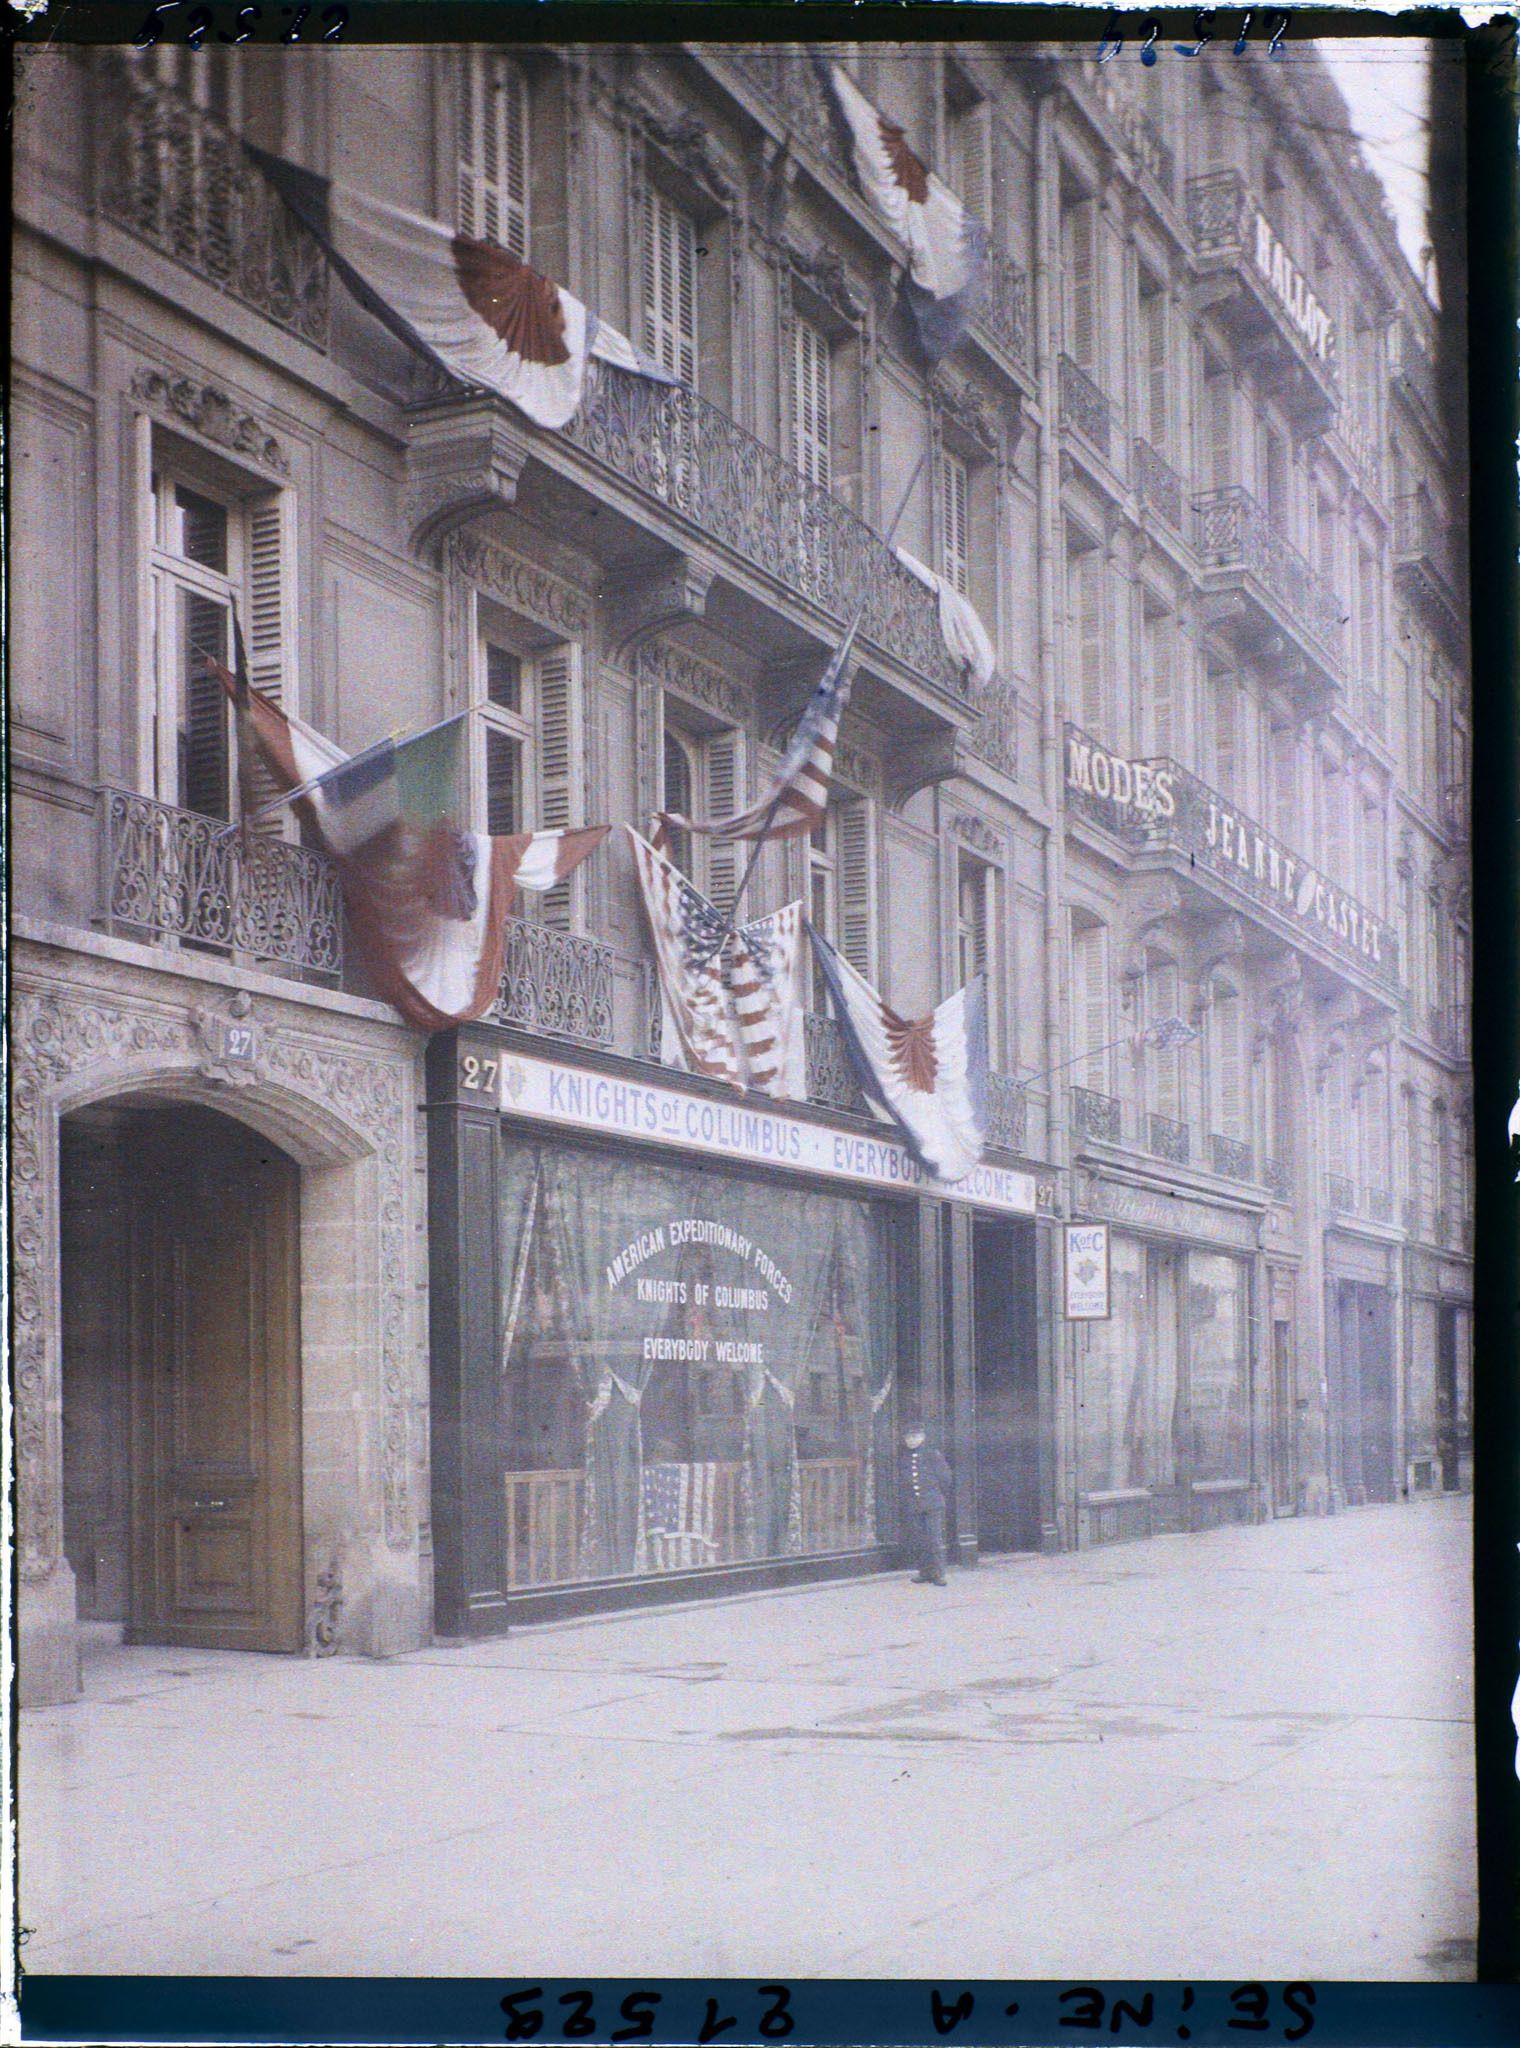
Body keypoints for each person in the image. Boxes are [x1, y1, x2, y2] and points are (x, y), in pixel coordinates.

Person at [899, 1422, 952, 1586]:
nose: (911, 1440)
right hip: (915, 1504)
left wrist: (934, 1493)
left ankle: (939, 1573)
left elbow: (945, 1478)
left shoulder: (932, 1454)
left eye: (914, 1437)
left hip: (932, 1503)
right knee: (919, 1538)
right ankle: (924, 1571)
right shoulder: (905, 1456)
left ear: (922, 1437)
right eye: (908, 1437)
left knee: (934, 1538)